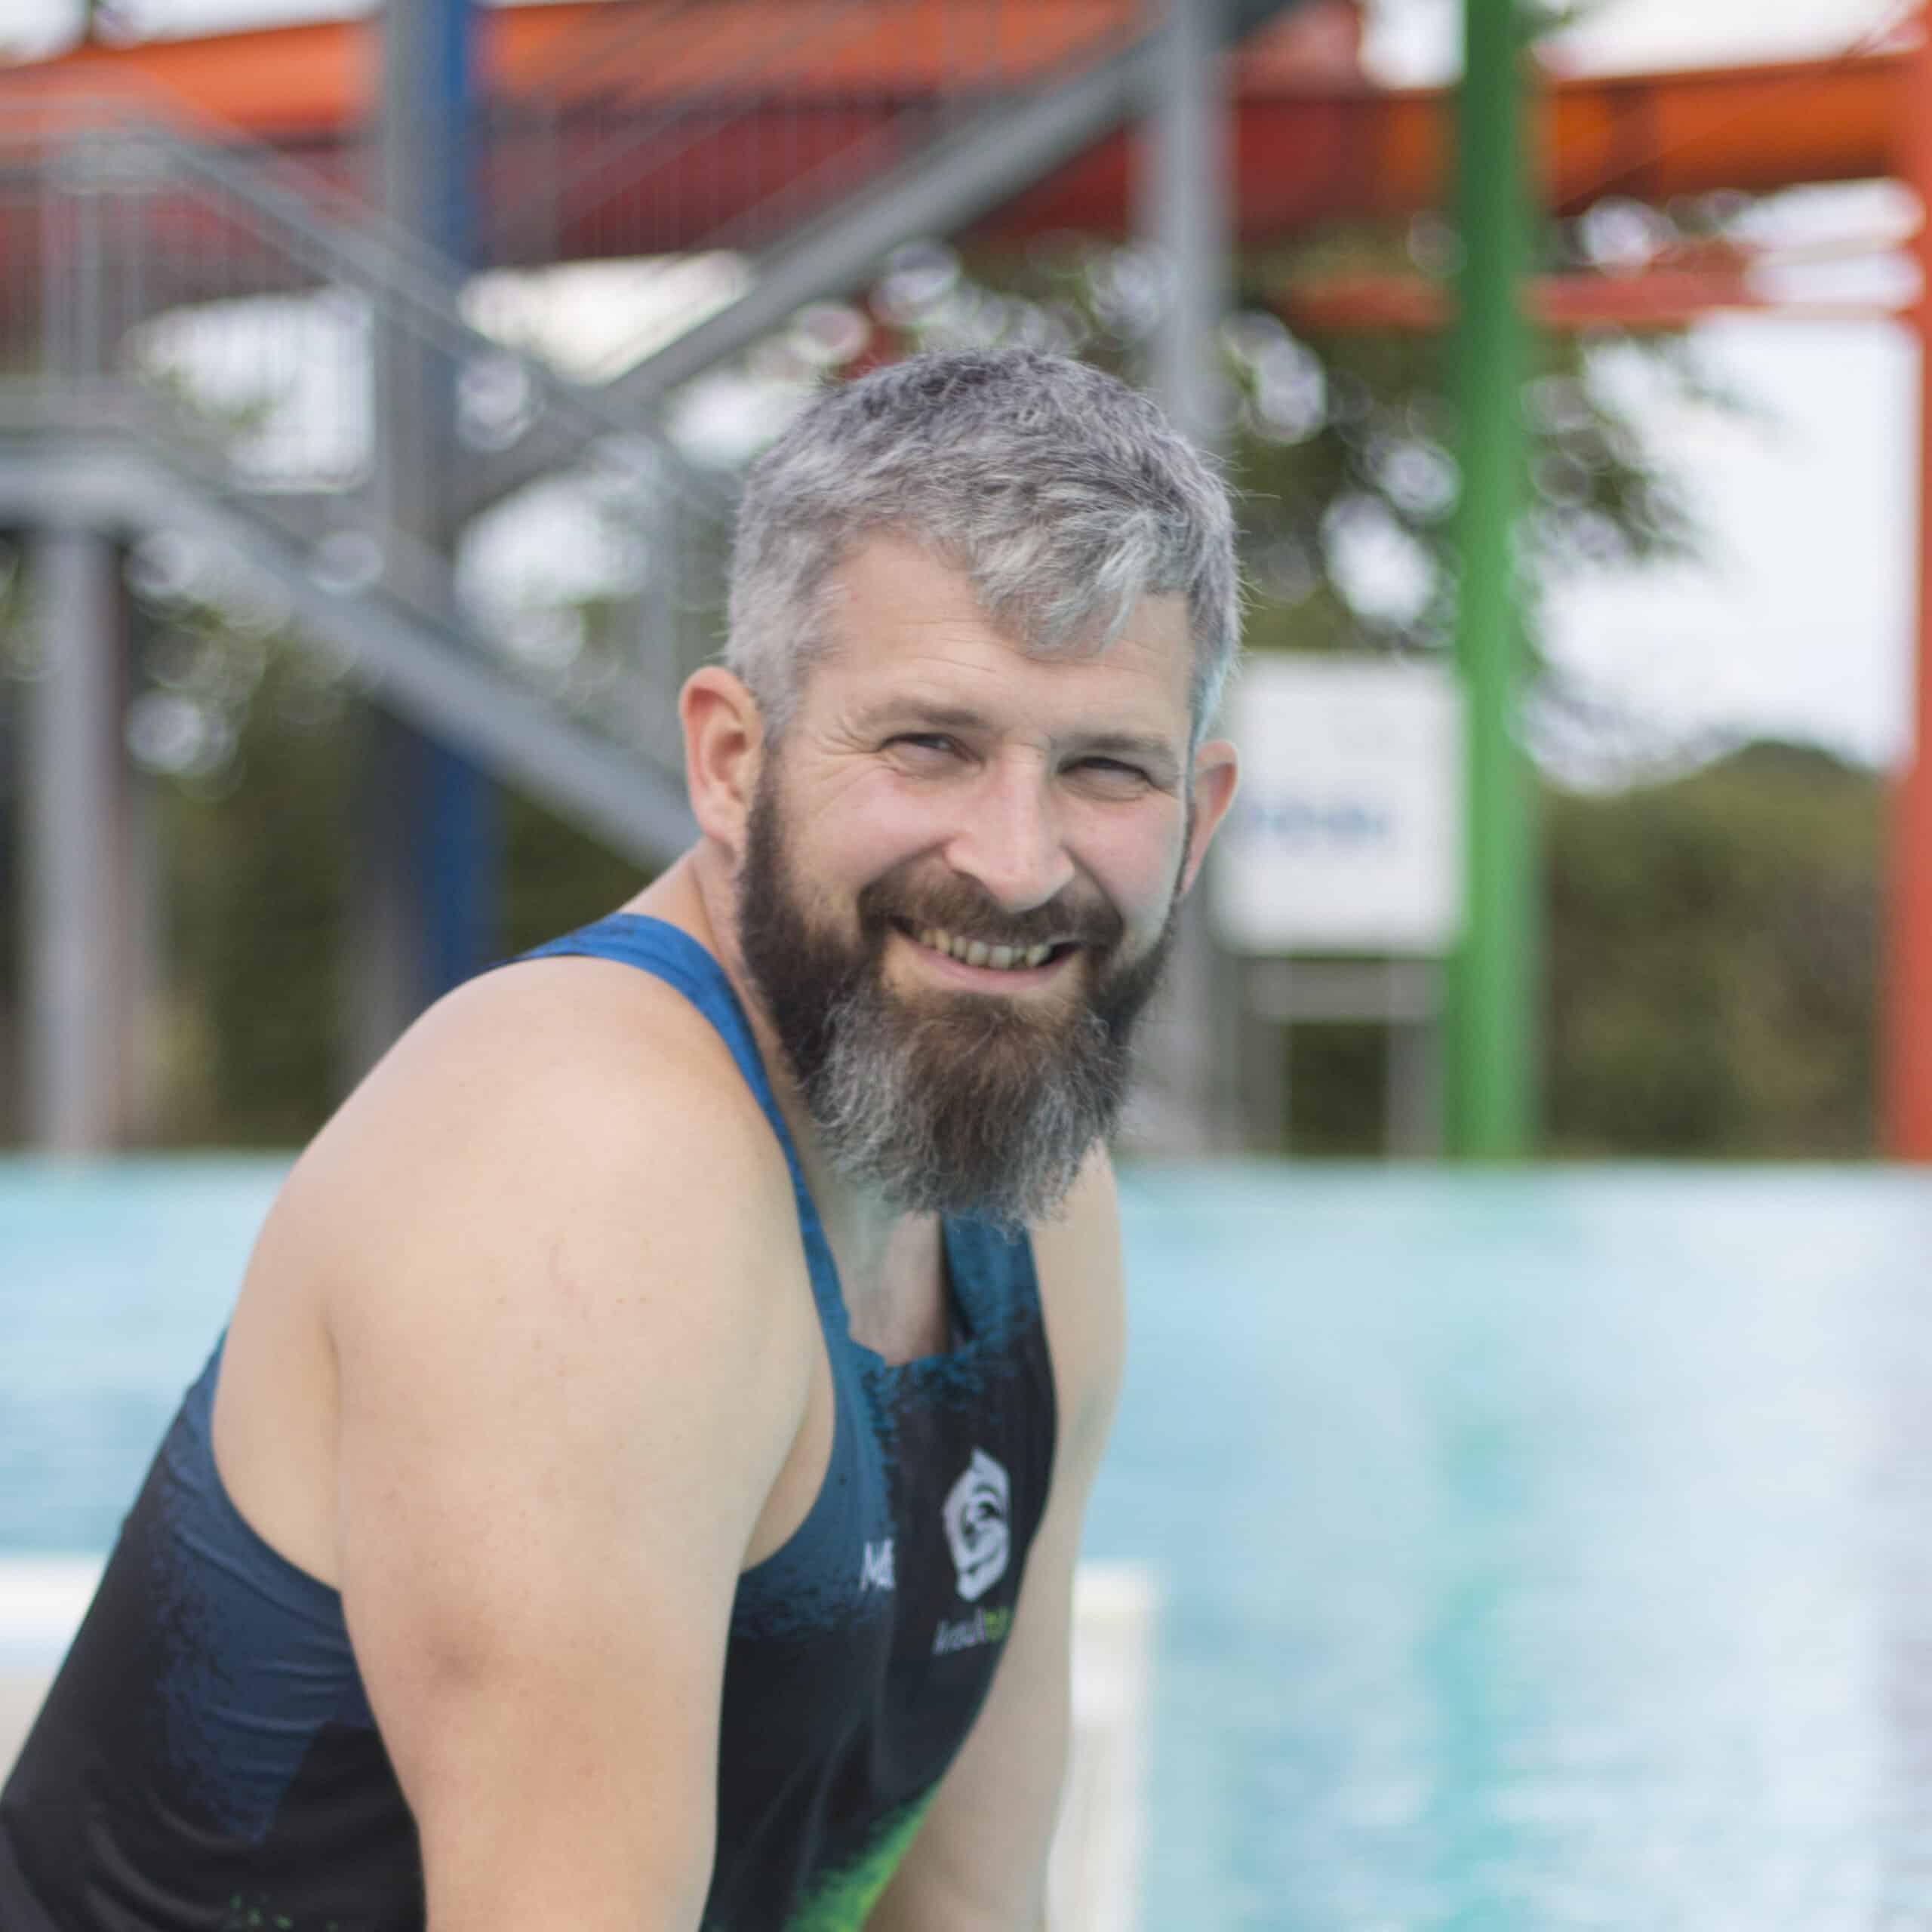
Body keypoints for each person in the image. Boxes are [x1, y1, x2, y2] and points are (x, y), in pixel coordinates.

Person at [0, 347, 1241, 1930]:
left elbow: (971, 1904)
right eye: (927, 743)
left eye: (1101, 768)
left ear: (1196, 815)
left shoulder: (1031, 1194)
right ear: (734, 759)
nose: (1013, 862)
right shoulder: (587, 1171)